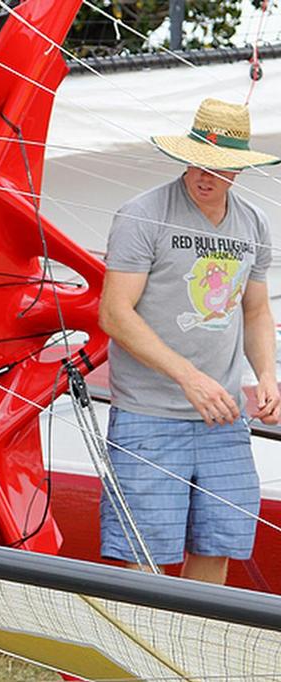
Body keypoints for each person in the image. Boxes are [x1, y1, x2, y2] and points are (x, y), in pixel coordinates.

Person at [98, 98, 281, 584]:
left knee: (219, 541)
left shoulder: (253, 223)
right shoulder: (143, 213)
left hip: (223, 417)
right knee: (143, 556)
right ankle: (141, 660)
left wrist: (267, 375)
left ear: (240, 167)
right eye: (198, 161)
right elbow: (114, 314)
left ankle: (186, 658)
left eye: (219, 167)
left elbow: (257, 309)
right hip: (150, 414)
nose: (205, 175)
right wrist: (189, 377)